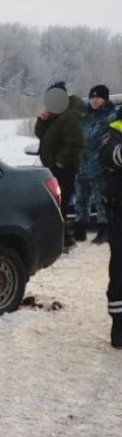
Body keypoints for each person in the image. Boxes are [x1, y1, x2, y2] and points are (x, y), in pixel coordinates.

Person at [35, 82, 85, 248]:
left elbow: (75, 142)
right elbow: (40, 134)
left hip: (64, 169)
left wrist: (60, 162)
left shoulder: (70, 116)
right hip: (53, 167)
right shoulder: (56, 115)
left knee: (59, 205)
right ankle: (63, 238)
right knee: (56, 205)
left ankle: (62, 240)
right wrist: (42, 120)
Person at [96, 105, 122, 349]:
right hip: (119, 211)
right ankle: (119, 326)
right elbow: (113, 156)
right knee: (120, 267)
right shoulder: (112, 132)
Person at [80, 85, 116, 244]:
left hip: (101, 165)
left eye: (98, 97)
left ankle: (104, 229)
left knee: (100, 199)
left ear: (105, 99)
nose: (95, 100)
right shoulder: (85, 116)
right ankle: (80, 228)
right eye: (92, 97)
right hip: (83, 163)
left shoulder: (111, 116)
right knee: (82, 197)